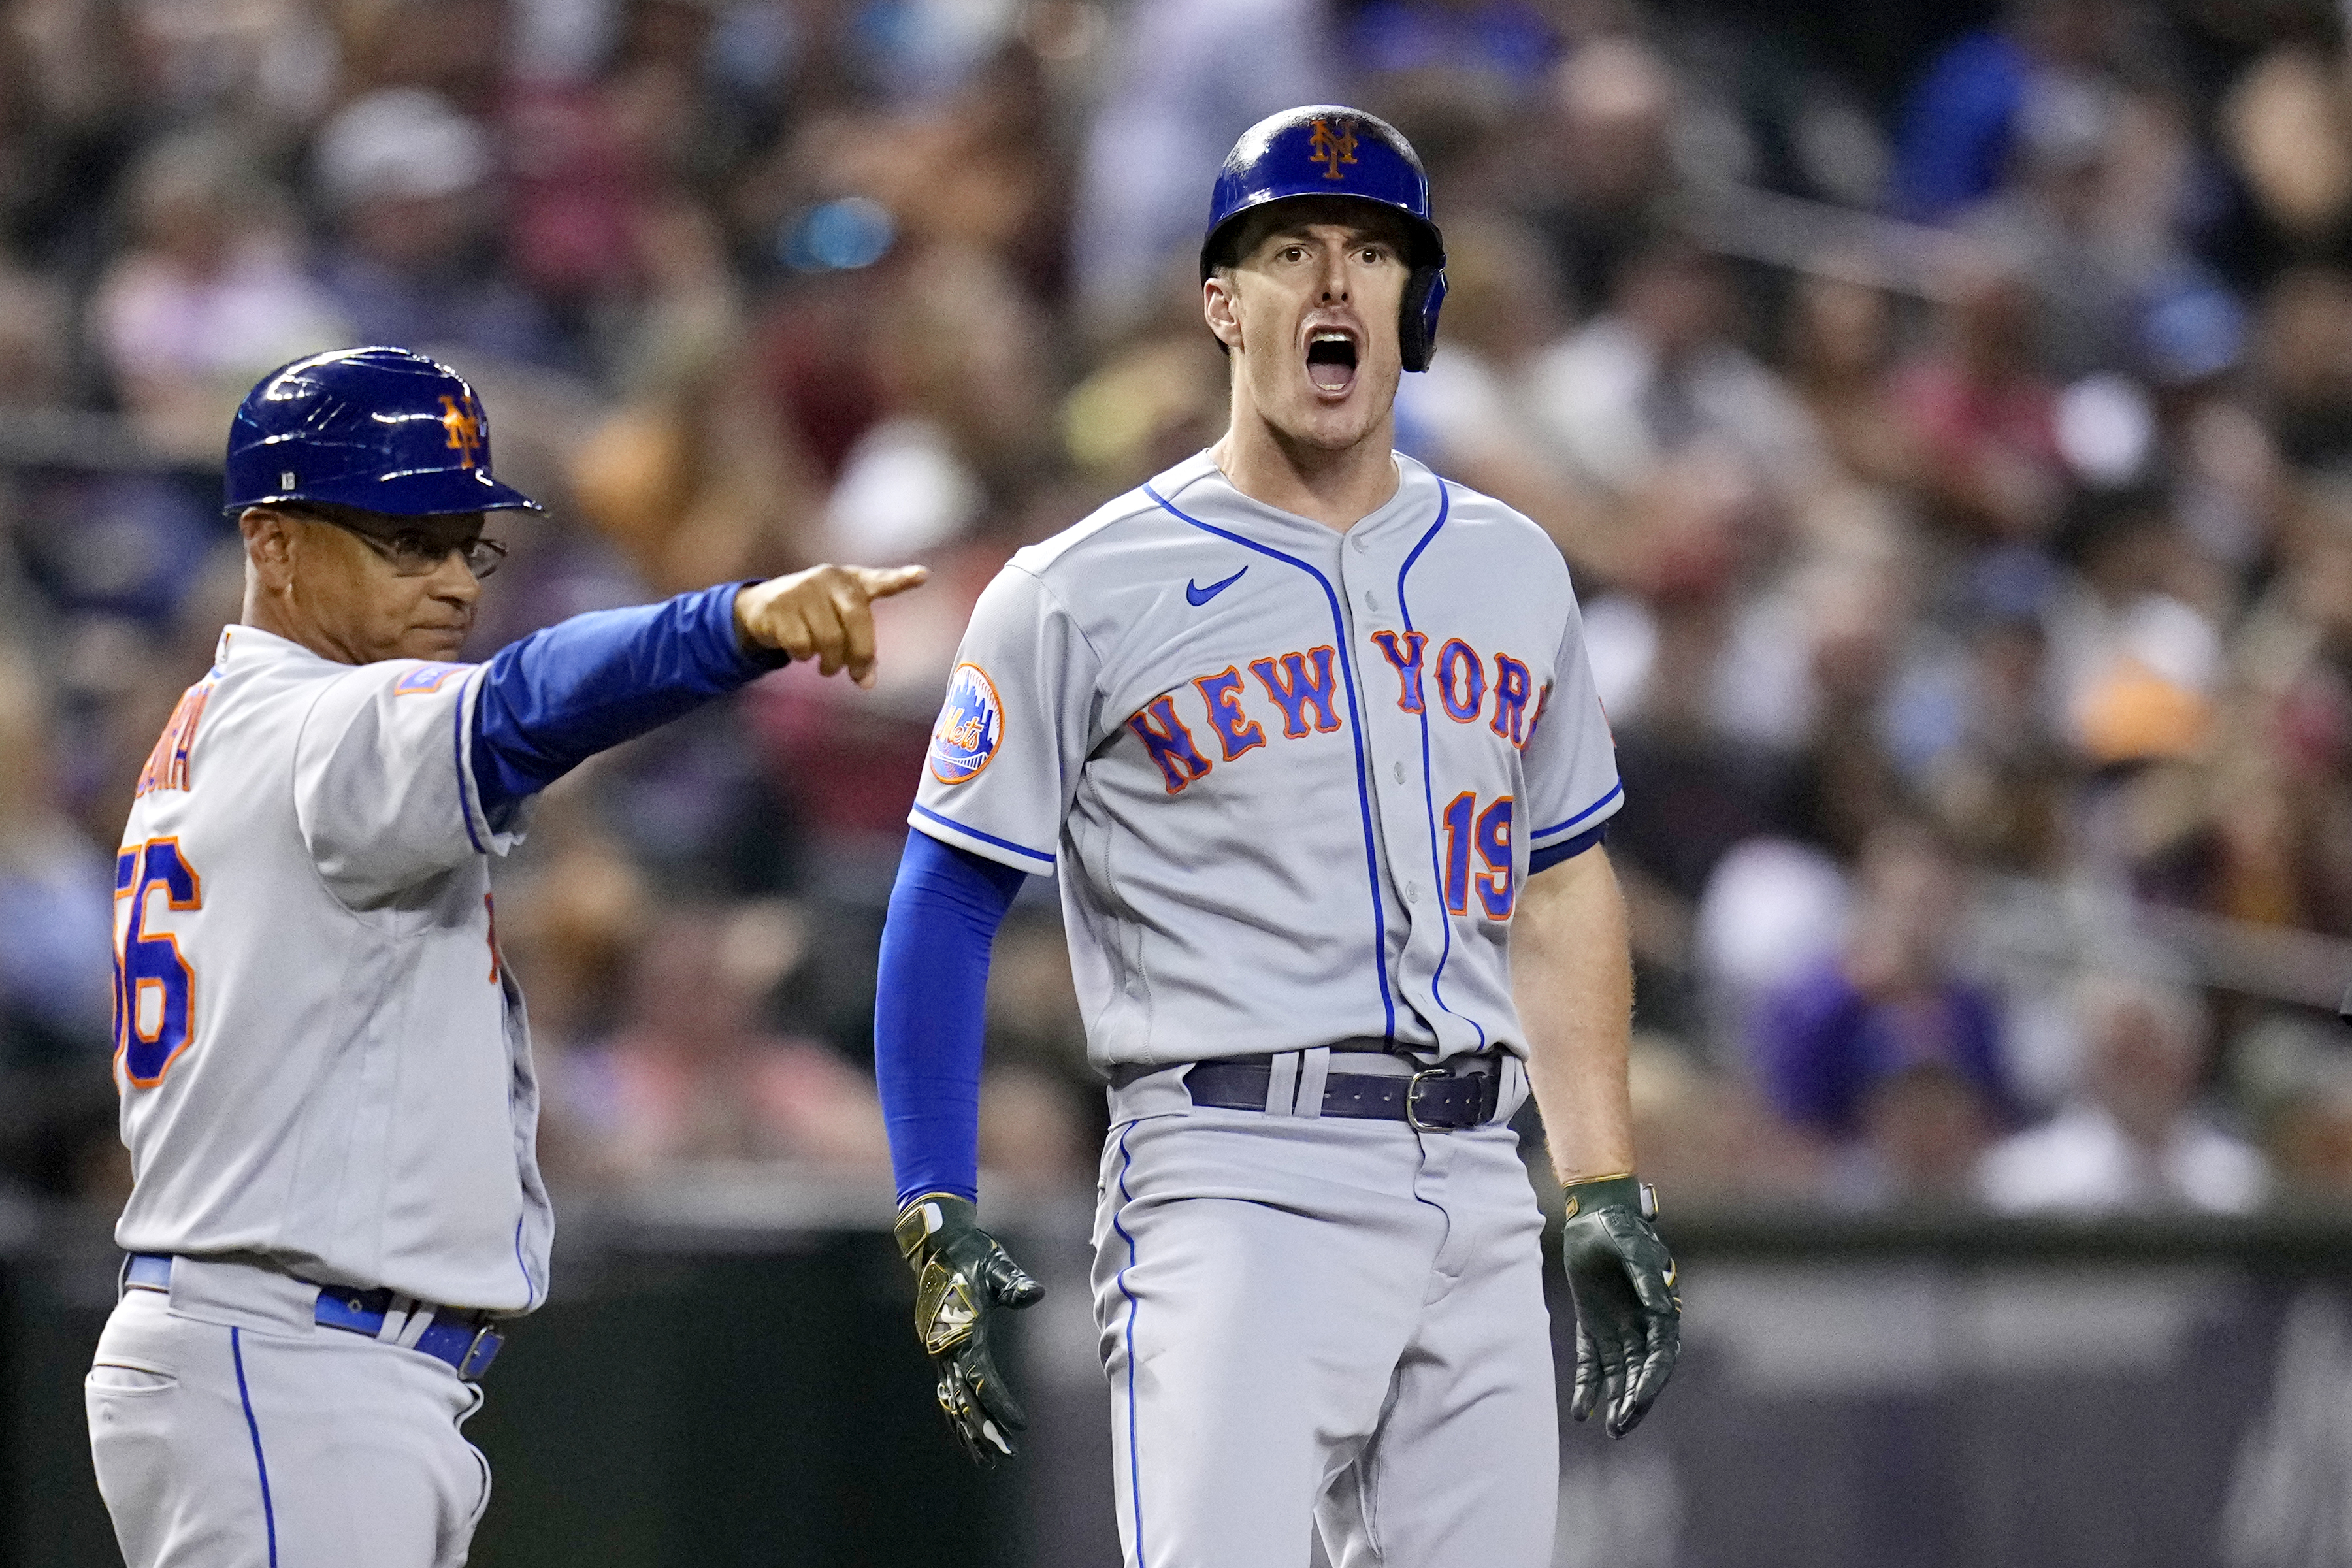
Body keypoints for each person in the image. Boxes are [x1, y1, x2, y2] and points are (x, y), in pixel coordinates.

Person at [872, 107, 1680, 1565]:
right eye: (1288, 250)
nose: (1331, 285)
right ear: (1220, 302)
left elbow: (1559, 884)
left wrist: (1602, 1173)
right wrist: (935, 1197)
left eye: (1372, 254)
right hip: (1233, 1171)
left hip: (1479, 1177)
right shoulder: (1080, 587)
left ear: (1413, 305)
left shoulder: (1509, 566)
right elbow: (949, 892)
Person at [82, 346, 923, 1568]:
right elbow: (522, 704)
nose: (449, 582)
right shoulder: (325, 725)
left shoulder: (227, 725)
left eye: (464, 543)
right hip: (286, 1365)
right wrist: (728, 623)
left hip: (289, 1358)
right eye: (400, 539)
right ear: (271, 541)